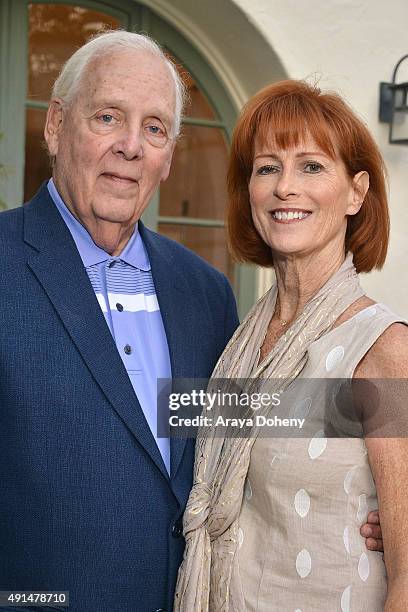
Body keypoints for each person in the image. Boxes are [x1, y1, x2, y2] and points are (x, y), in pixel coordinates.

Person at [0, 31, 239, 612]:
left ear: (168, 158)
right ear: (56, 125)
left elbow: (236, 434)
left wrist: (365, 477)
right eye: (108, 117)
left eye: (155, 128)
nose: (131, 146)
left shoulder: (205, 293)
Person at [175, 80, 408, 611]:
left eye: (311, 166)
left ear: (356, 192)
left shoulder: (382, 349)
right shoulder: (238, 342)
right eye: (267, 167)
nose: (285, 187)